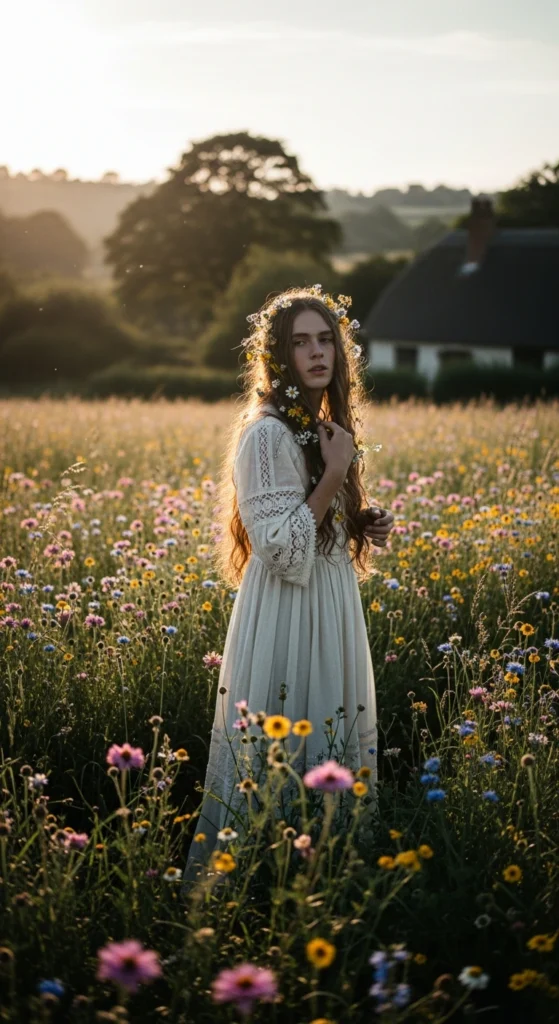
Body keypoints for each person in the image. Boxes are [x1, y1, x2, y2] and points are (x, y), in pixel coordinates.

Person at [182, 285, 394, 889]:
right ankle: (257, 889)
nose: (316, 352)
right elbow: (280, 548)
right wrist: (332, 474)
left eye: (325, 339)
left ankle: (324, 878)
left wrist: (359, 518)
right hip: (286, 605)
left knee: (327, 725)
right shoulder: (268, 433)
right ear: (279, 355)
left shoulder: (317, 424)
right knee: (279, 745)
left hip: (327, 602)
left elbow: (313, 519)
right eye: (300, 342)